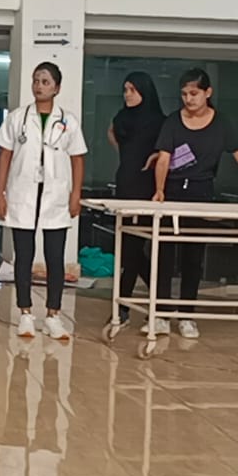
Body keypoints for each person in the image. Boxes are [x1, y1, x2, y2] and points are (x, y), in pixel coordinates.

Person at [153, 68, 238, 339]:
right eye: (184, 94)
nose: (188, 99)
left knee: (193, 257)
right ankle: (160, 314)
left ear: (208, 93)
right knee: (164, 255)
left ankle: (187, 315)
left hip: (201, 193)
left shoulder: (221, 124)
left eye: (194, 93)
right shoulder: (172, 122)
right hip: (172, 193)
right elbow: (163, 158)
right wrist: (159, 190)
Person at [0, 62, 88, 341]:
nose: (39, 86)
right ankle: (25, 313)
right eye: (36, 80)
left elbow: (77, 159)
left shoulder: (68, 121)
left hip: (55, 196)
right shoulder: (18, 118)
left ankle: (53, 316)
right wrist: (0, 194)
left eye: (45, 82)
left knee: (55, 258)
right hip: (22, 195)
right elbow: (5, 155)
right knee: (23, 256)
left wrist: (75, 194)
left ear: (57, 88)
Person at [107, 71, 166, 329]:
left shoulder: (159, 122)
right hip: (125, 184)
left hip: (146, 188)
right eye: (125, 89)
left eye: (133, 90)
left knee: (133, 247)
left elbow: (167, 152)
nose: (127, 94)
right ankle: (159, 296)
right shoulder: (122, 117)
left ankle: (123, 307)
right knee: (128, 247)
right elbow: (112, 133)